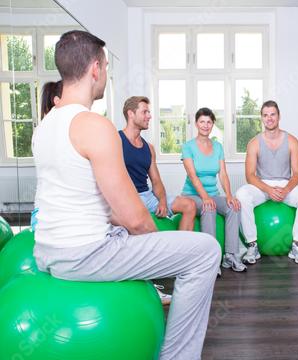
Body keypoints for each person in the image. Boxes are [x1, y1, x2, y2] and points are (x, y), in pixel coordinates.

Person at [32, 30, 220, 360]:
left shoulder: (44, 126)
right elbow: (136, 219)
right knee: (205, 250)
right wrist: (156, 251)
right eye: (105, 65)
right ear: (94, 69)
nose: (105, 73)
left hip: (47, 252)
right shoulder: (95, 125)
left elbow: (90, 201)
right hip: (86, 255)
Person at [236, 100, 298, 265]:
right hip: (262, 186)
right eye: (265, 115)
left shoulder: (292, 141)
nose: (269, 118)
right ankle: (252, 245)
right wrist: (268, 189)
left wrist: (286, 189)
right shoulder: (254, 143)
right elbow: (250, 175)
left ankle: (297, 244)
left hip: (285, 185)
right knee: (241, 194)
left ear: (279, 116)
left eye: (272, 114)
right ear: (262, 118)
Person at [181, 107, 247, 273]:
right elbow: (193, 176)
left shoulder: (217, 147)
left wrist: (230, 196)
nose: (205, 125)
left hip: (212, 194)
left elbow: (223, 174)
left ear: (212, 125)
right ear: (196, 124)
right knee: (209, 209)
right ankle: (211, 260)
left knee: (233, 206)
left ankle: (230, 255)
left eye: (209, 122)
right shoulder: (188, 147)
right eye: (202, 122)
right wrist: (205, 198)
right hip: (192, 195)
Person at [120, 96, 196, 231]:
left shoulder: (148, 148)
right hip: (127, 198)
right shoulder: (116, 140)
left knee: (189, 205)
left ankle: (182, 250)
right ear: (131, 114)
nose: (149, 116)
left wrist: (162, 201)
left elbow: (156, 180)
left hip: (146, 196)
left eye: (149, 112)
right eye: (145, 112)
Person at [31, 80, 64, 232]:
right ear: (57, 101)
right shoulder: (57, 129)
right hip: (52, 218)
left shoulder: (42, 128)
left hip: (42, 213)